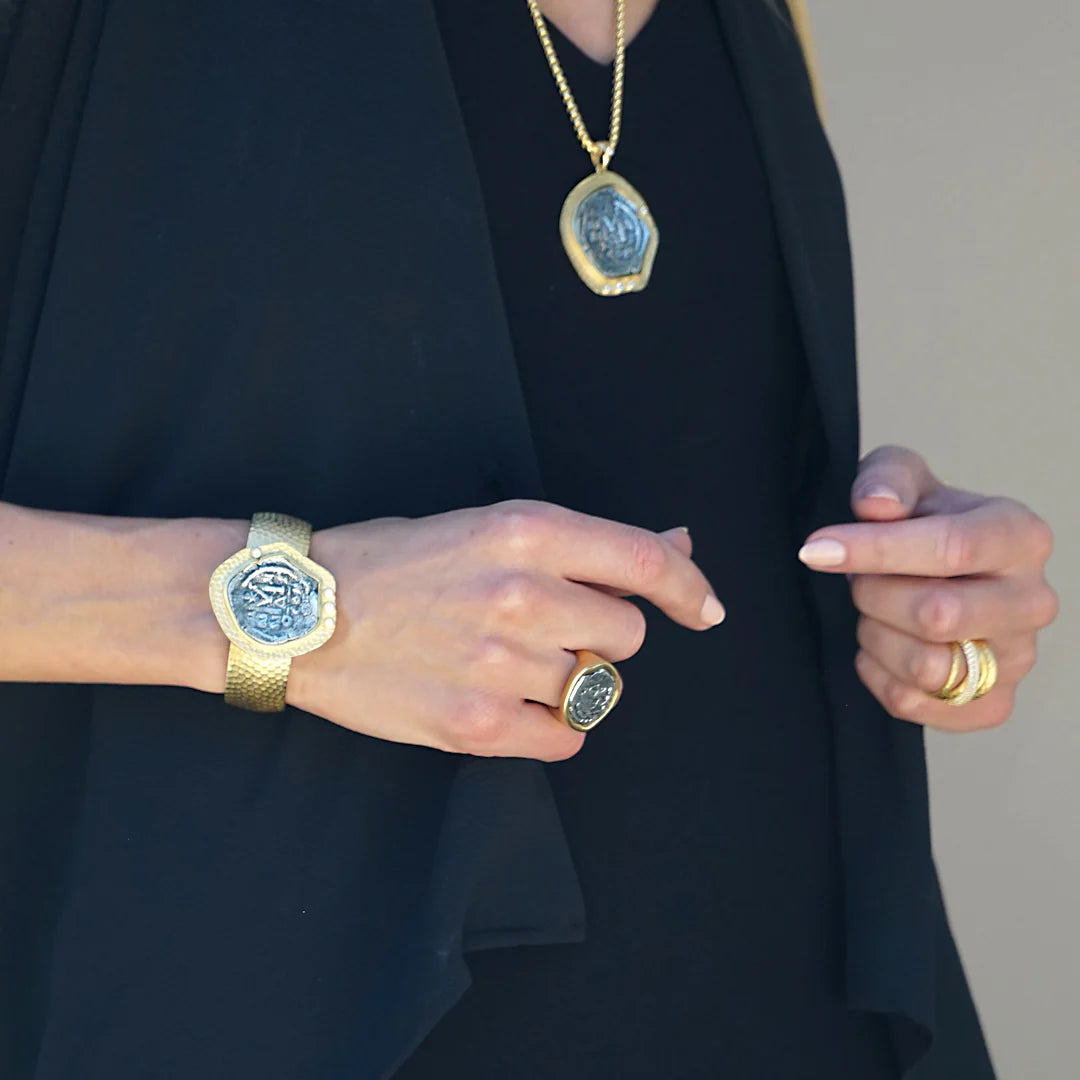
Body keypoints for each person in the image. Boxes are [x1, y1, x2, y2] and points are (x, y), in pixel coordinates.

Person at [0, 0, 1057, 1077]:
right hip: (265, 1010)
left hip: (792, 1003)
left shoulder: (760, 19)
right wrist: (292, 612)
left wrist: (925, 611)